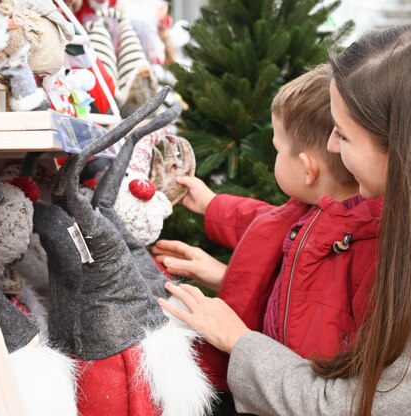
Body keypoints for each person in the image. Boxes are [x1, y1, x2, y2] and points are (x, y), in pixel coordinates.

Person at [158, 18, 411, 416]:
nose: (331, 147)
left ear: (408, 149)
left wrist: (238, 340)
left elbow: (353, 404)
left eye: (344, 134)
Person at [152, 64, 384, 411]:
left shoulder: (369, 244)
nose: (274, 154)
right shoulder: (311, 208)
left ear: (307, 169)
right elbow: (263, 221)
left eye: (276, 148)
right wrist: (212, 206)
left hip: (296, 397)